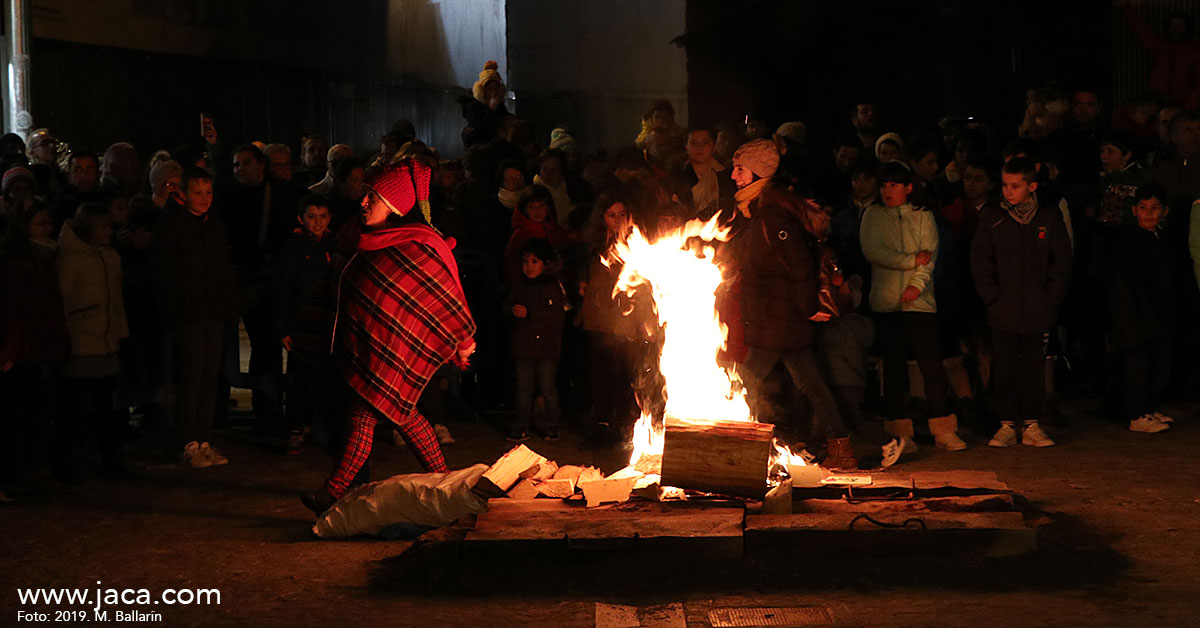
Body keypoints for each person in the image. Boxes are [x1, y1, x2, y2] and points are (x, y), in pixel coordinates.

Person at [302, 159, 476, 515]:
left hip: (399, 353)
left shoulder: (421, 247)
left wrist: (460, 341)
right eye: (366, 196)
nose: (364, 203)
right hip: (375, 352)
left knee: (366, 415)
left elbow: (446, 299)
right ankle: (446, 483)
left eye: (373, 198)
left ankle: (332, 491)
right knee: (404, 414)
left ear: (395, 208)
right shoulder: (366, 242)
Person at [731, 138, 859, 469]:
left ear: (759, 173)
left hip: (779, 318)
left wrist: (806, 308)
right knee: (811, 383)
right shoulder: (762, 210)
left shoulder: (771, 215)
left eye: (740, 169)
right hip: (778, 317)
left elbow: (799, 265)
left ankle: (728, 445)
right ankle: (841, 449)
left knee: (742, 380)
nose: (733, 176)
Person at [861, 161, 967, 455]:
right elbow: (874, 252)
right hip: (886, 303)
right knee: (893, 368)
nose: (887, 191)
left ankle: (944, 429)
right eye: (884, 185)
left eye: (894, 185)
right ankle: (899, 433)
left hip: (920, 303)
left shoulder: (923, 217)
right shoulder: (872, 215)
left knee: (931, 365)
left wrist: (916, 286)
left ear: (908, 187)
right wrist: (911, 260)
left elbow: (929, 256)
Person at [972, 157, 1072, 448]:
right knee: (1003, 366)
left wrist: (1050, 297)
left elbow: (1061, 260)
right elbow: (980, 259)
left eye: (1015, 186)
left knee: (1033, 367)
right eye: (1005, 185)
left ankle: (1031, 422)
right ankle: (1005, 423)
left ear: (1032, 186)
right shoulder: (993, 217)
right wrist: (992, 295)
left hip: (1037, 309)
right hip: (1003, 308)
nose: (1008, 191)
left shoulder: (1048, 217)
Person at [153, 167, 240, 467]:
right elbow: (164, 273)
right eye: (197, 193)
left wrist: (229, 304)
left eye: (209, 193)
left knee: (209, 377)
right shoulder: (173, 224)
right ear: (183, 194)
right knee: (190, 378)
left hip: (212, 311)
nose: (204, 199)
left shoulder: (212, 223)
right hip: (188, 314)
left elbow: (223, 266)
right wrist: (174, 312)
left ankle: (204, 439)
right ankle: (188, 442)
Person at [55, 203, 130, 478]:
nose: (110, 231)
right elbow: (61, 299)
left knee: (105, 406)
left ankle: (108, 458)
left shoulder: (110, 258)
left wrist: (119, 333)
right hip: (81, 339)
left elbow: (116, 299)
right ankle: (63, 459)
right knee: (71, 406)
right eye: (104, 226)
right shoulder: (72, 259)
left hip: (105, 340)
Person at [0, 203, 70, 494]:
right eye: (41, 224)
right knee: (23, 414)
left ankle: (30, 470)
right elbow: (16, 308)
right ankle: (18, 473)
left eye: (49, 224)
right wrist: (11, 349)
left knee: (38, 412)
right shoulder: (19, 262)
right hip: (26, 350)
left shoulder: (46, 257)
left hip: (42, 346)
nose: (48, 229)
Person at [272, 195, 346, 454]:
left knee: (327, 379)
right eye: (312, 217)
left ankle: (321, 428)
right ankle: (295, 427)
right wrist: (282, 329)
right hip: (303, 326)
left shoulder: (335, 246)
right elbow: (282, 290)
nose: (318, 222)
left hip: (329, 325)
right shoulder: (293, 249)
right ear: (301, 219)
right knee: (302, 380)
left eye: (323, 216)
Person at [1110, 185, 1175, 434]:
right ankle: (1137, 414)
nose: (1149, 213)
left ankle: (1148, 408)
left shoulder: (1159, 238)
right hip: (1134, 315)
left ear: (1164, 211)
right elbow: (1127, 284)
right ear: (1135, 210)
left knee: (1155, 363)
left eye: (1155, 208)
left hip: (1154, 314)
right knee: (1137, 365)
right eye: (1144, 208)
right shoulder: (1129, 241)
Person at [576, 194, 638, 449]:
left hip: (624, 321)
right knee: (600, 371)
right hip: (598, 318)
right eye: (611, 215)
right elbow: (585, 275)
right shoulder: (594, 245)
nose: (617, 221)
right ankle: (602, 422)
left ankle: (623, 424)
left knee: (623, 372)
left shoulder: (637, 243)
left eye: (622, 214)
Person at [503, 238, 568, 442]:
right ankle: (522, 425)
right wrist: (511, 310)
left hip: (546, 347)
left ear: (545, 263)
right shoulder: (520, 285)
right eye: (525, 262)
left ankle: (551, 425)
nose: (528, 267)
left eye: (534, 261)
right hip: (523, 346)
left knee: (547, 388)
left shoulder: (551, 286)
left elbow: (556, 315)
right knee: (523, 388)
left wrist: (529, 312)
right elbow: (506, 305)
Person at [503, 186, 569, 287]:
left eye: (541, 206)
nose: (537, 211)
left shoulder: (551, 226)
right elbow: (512, 266)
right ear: (525, 210)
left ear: (548, 208)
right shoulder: (520, 235)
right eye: (532, 207)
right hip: (531, 287)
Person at [679, 126, 735, 220]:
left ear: (713, 147)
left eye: (705, 143)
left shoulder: (725, 177)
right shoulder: (677, 177)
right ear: (686, 147)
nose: (699, 147)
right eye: (694, 143)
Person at [462, 60, 509, 148]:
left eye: (495, 88)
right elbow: (481, 126)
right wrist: (491, 109)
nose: (493, 92)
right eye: (489, 88)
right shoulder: (473, 106)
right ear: (482, 89)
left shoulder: (499, 105)